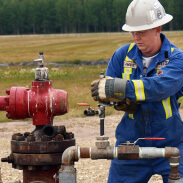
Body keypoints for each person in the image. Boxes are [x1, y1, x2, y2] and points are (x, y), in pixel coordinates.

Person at [91, 0, 183, 182]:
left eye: (141, 32)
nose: (135, 37)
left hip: (171, 142)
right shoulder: (122, 55)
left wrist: (123, 88)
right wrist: (117, 101)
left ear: (158, 28)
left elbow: (160, 88)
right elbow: (107, 92)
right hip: (130, 142)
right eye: (132, 32)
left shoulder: (176, 58)